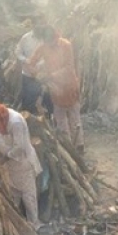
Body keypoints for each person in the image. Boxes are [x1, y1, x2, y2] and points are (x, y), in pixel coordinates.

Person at [0, 100, 42, 226]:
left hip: (23, 162)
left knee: (28, 195)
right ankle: (18, 223)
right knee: (13, 193)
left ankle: (33, 223)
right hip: (11, 165)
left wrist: (4, 158)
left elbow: (19, 147)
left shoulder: (16, 122)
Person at [26, 24, 84, 152]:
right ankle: (68, 146)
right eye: (47, 43)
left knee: (75, 118)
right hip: (55, 89)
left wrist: (51, 75)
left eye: (51, 42)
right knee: (60, 119)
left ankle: (79, 146)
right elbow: (31, 62)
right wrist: (34, 70)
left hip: (69, 86)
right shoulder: (44, 46)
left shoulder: (66, 45)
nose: (49, 45)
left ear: (55, 37)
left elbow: (69, 67)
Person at [15, 18, 52, 116]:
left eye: (42, 25)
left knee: (45, 100)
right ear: (33, 25)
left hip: (42, 76)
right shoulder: (25, 38)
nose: (40, 27)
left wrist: (39, 65)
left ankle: (46, 123)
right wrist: (26, 61)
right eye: (38, 25)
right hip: (27, 75)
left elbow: (50, 56)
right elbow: (18, 52)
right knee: (28, 102)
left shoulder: (46, 39)